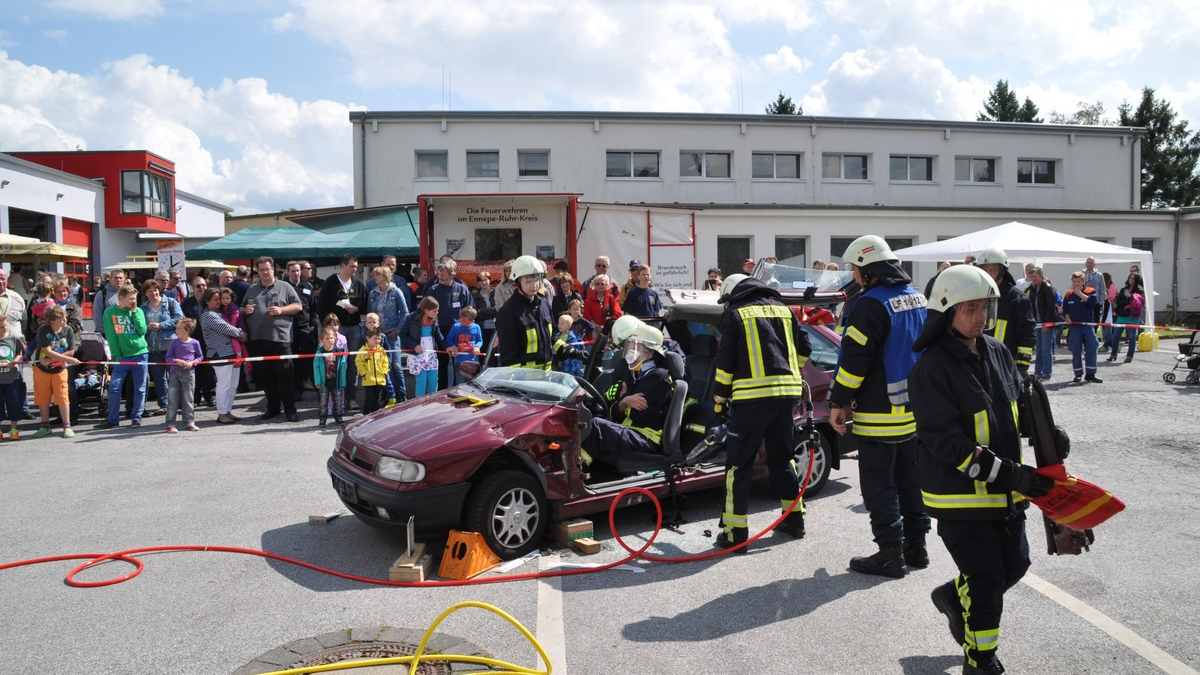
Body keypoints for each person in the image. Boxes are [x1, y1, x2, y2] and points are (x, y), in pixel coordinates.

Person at [908, 264, 1053, 675]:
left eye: (984, 307)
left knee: (1016, 565)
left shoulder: (996, 350)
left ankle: (954, 599)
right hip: (959, 497)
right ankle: (980, 660)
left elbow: (1015, 409)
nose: (979, 317)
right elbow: (948, 444)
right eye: (968, 308)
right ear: (946, 311)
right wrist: (1013, 475)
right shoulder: (931, 368)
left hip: (1005, 492)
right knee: (987, 580)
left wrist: (1047, 433)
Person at [827, 235, 930, 579]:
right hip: (913, 410)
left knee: (880, 485)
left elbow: (855, 362)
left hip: (879, 412)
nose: (853, 275)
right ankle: (916, 548)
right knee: (910, 480)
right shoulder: (917, 297)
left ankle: (889, 555)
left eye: (855, 269)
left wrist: (839, 401)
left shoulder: (870, 304)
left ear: (867, 271)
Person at [711, 273, 812, 552]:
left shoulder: (735, 314)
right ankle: (794, 520)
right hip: (786, 397)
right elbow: (805, 348)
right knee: (782, 461)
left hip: (751, 401)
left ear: (732, 293)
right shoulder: (785, 310)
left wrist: (719, 398)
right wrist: (792, 372)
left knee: (738, 466)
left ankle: (735, 533)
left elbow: (726, 363)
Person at [579, 324, 674, 469]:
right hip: (630, 431)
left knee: (598, 426)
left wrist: (623, 402)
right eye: (630, 344)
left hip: (646, 439)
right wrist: (625, 402)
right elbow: (614, 413)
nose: (630, 350)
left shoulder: (659, 378)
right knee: (587, 421)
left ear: (649, 353)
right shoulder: (633, 375)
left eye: (636, 346)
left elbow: (639, 415)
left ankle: (575, 469)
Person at [242, 257, 303, 422]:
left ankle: (290, 409)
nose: (264, 272)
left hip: (280, 339)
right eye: (261, 270)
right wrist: (245, 310)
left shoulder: (285, 286)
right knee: (265, 377)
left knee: (285, 376)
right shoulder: (252, 289)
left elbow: (298, 306)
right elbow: (240, 309)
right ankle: (273, 408)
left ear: (273, 270)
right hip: (257, 339)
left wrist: (281, 309)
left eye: (267, 269)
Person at [315, 255, 367, 410]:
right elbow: (322, 306)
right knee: (333, 364)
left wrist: (356, 309)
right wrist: (328, 327)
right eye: (352, 266)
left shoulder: (358, 283)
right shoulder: (331, 282)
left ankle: (351, 398)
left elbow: (365, 304)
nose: (355, 269)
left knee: (352, 364)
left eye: (356, 266)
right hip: (335, 329)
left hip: (354, 328)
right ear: (343, 266)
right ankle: (335, 399)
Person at [974, 247, 1035, 376]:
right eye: (985, 269)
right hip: (978, 360)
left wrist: (1021, 367)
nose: (988, 273)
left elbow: (1027, 335)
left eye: (992, 269)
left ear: (1002, 271)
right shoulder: (974, 295)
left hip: (1004, 363)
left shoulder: (1017, 299)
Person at [99, 285, 148, 429]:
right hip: (122, 357)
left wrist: (134, 313)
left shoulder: (138, 311)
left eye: (135, 298)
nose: (134, 301)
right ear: (121, 298)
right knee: (114, 387)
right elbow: (110, 335)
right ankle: (113, 419)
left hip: (140, 353)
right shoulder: (110, 312)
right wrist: (117, 355)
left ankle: (136, 417)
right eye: (131, 298)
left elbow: (142, 331)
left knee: (140, 388)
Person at [495, 255, 554, 369]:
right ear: (517, 282)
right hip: (525, 382)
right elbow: (509, 356)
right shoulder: (508, 312)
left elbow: (552, 337)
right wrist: (518, 382)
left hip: (547, 379)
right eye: (528, 281)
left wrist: (569, 351)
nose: (534, 285)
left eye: (537, 280)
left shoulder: (543, 304)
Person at [199, 288, 245, 425]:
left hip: (231, 353)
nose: (219, 302)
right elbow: (226, 329)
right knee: (223, 385)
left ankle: (228, 410)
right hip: (219, 355)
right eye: (215, 300)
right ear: (207, 301)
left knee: (232, 385)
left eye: (220, 299)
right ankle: (221, 413)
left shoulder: (218, 314)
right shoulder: (208, 316)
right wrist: (241, 332)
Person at [425, 258, 473, 389]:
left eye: (443, 273)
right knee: (442, 364)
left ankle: (462, 389)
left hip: (459, 332)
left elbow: (470, 310)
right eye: (439, 273)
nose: (440, 275)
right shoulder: (433, 290)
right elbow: (425, 311)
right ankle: (442, 391)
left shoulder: (462, 290)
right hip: (440, 332)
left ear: (452, 274)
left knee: (461, 364)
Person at [33, 305, 80, 438]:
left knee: (63, 396)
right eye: (62, 318)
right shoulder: (43, 330)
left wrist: (55, 360)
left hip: (60, 369)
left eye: (65, 317)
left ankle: (67, 425)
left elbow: (71, 350)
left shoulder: (68, 330)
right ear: (52, 321)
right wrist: (68, 360)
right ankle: (44, 426)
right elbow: (47, 350)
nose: (65, 320)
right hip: (42, 370)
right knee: (43, 397)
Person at [140, 279, 183, 416]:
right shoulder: (142, 308)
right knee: (159, 378)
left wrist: (161, 325)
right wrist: (147, 327)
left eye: (155, 289)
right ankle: (164, 404)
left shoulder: (171, 302)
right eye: (150, 291)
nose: (153, 293)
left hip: (171, 345)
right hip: (153, 347)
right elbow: (139, 327)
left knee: (175, 375)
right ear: (145, 294)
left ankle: (179, 404)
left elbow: (178, 319)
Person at [368, 265, 409, 401]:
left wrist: (398, 330)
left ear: (384, 276)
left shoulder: (396, 291)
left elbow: (405, 312)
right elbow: (370, 314)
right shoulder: (373, 293)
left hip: (392, 334)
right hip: (379, 336)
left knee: (396, 365)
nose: (374, 277)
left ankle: (402, 395)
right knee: (383, 366)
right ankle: (388, 395)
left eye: (377, 275)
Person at [401, 297, 450, 397]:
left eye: (437, 310)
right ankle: (419, 405)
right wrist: (414, 345)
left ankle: (432, 405)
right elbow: (402, 334)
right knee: (421, 382)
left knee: (433, 382)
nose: (437, 313)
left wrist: (447, 347)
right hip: (417, 355)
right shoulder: (411, 318)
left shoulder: (434, 319)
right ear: (426, 310)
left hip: (431, 355)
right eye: (434, 311)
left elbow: (438, 336)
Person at [283, 260, 318, 399]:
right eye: (293, 271)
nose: (296, 273)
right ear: (287, 272)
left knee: (311, 359)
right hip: (290, 330)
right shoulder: (284, 287)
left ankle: (318, 386)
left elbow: (314, 308)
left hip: (306, 329)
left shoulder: (307, 286)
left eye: (298, 270)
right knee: (294, 362)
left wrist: (313, 326)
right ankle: (298, 389)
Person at [181, 276, 216, 408]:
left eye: (203, 285)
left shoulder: (211, 301)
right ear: (192, 287)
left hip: (210, 342)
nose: (202, 288)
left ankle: (210, 395)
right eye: (198, 286)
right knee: (194, 371)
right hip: (193, 343)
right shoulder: (186, 303)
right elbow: (181, 321)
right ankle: (195, 397)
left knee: (209, 371)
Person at [1063, 271, 1102, 384]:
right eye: (1074, 282)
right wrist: (1067, 317)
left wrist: (1079, 293)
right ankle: (1078, 374)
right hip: (1075, 327)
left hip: (1087, 325)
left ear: (1083, 281)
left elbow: (1091, 303)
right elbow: (1065, 309)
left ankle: (1090, 374)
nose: (1076, 284)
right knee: (1076, 350)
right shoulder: (1068, 294)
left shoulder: (1090, 291)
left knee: (1091, 348)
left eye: (1079, 282)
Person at [164, 318, 203, 433]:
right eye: (176, 328)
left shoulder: (195, 343)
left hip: (189, 374)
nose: (176, 330)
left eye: (179, 328)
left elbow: (200, 357)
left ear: (187, 329)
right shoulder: (174, 342)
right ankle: (170, 423)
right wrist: (177, 361)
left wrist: (192, 363)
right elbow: (168, 358)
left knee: (188, 399)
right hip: (175, 373)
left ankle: (189, 422)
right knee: (173, 400)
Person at [1025, 267, 1057, 381]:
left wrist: (1047, 323)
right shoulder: (1032, 287)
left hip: (1046, 323)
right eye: (1032, 277)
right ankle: (1037, 371)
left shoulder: (1048, 288)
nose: (1033, 279)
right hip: (1036, 322)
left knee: (1046, 348)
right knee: (1038, 348)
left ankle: (1047, 372)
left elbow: (1050, 307)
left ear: (1041, 276)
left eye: (1035, 277)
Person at [313, 327, 347, 427]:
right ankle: (322, 419)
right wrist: (317, 382)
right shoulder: (319, 352)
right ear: (322, 340)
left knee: (338, 401)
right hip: (324, 383)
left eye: (331, 338)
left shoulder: (339, 352)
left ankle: (339, 417)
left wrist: (342, 381)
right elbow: (316, 368)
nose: (330, 340)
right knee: (323, 403)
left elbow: (343, 367)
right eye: (327, 338)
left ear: (335, 338)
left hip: (336, 382)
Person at [1110, 273, 1145, 363]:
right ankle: (1113, 354)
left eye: (1133, 278)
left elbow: (1139, 303)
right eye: (1130, 278)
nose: (1131, 280)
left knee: (1131, 337)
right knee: (1116, 336)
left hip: (1133, 316)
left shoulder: (1140, 290)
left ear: (1137, 280)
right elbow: (1118, 301)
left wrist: (1129, 297)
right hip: (1122, 315)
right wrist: (1128, 300)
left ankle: (1129, 356)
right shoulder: (1123, 289)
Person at [356, 328, 390, 415]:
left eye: (379, 339)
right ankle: (366, 415)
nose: (377, 340)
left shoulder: (381, 350)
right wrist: (363, 373)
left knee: (377, 399)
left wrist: (384, 372)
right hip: (368, 380)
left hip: (380, 379)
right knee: (369, 398)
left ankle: (376, 416)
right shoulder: (363, 350)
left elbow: (385, 362)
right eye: (375, 338)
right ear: (368, 338)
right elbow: (358, 362)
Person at [0, 317, 24, 440]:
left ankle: (13, 429)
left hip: (11, 378)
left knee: (13, 403)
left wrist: (14, 362)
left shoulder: (13, 338)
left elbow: (19, 352)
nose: (4, 329)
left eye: (5, 326)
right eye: (1, 327)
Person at [446, 306, 482, 386]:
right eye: (461, 319)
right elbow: (449, 339)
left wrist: (477, 347)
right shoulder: (456, 326)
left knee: (473, 384)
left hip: (472, 362)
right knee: (461, 384)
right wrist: (453, 347)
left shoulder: (476, 327)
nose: (462, 322)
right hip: (459, 361)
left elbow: (480, 340)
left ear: (472, 321)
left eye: (465, 321)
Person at [471, 271, 498, 355]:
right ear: (478, 283)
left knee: (494, 352)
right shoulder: (475, 296)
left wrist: (482, 310)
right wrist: (490, 312)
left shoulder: (496, 293)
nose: (483, 282)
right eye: (481, 280)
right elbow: (475, 314)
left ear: (489, 280)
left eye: (485, 280)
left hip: (495, 328)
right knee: (482, 352)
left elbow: (497, 310)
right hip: (481, 328)